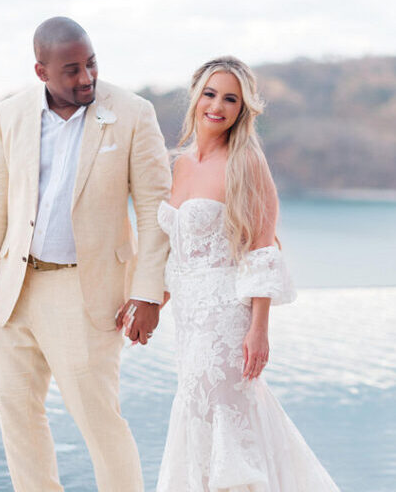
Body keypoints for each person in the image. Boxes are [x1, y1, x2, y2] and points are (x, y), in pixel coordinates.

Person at [0, 16, 171, 491]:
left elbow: (157, 211)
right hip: (13, 291)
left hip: (86, 291)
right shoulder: (10, 114)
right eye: (71, 70)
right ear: (42, 72)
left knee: (101, 423)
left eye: (91, 64)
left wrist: (149, 294)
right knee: (19, 422)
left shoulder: (134, 113)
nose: (86, 78)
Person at [144, 56, 339, 491]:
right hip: (188, 321)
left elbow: (261, 249)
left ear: (242, 109)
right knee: (198, 416)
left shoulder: (245, 162)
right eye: (211, 94)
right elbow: (180, 255)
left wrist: (259, 330)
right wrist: (151, 305)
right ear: (195, 97)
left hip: (227, 321)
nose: (218, 105)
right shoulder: (178, 164)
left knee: (229, 423)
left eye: (230, 98)